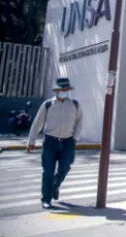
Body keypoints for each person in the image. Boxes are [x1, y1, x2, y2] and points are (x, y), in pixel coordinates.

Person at [27, 78, 83, 209]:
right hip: (50, 141)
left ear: (68, 90)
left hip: (68, 142)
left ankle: (55, 185)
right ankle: (46, 199)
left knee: (65, 167)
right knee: (47, 172)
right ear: (56, 90)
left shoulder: (75, 105)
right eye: (61, 89)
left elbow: (80, 122)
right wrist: (31, 141)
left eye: (66, 89)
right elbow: (37, 123)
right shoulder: (48, 104)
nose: (63, 91)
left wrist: (75, 138)